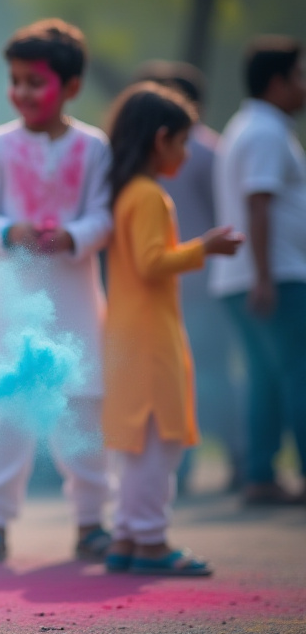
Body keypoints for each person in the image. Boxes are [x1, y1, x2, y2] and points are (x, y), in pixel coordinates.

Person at [0, 19, 112, 563]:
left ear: (70, 86)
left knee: (82, 405)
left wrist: (74, 235)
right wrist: (9, 232)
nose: (22, 92)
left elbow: (103, 217)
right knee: (6, 406)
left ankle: (93, 520)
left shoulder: (94, 147)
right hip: (12, 300)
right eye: (16, 80)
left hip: (74, 297)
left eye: (35, 81)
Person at [103, 84, 243, 574]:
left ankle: (126, 535)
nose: (186, 152)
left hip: (130, 336)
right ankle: (151, 540)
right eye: (183, 142)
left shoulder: (127, 192)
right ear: (161, 139)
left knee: (137, 444)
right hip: (147, 340)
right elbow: (151, 262)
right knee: (155, 445)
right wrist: (205, 247)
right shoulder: (147, 196)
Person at [135, 61, 244, 491]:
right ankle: (185, 465)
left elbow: (224, 216)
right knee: (184, 377)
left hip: (197, 283)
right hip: (175, 282)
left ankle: (233, 454)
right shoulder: (173, 155)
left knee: (209, 373)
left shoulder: (204, 151)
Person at [211, 37, 306, 506]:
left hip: (247, 276)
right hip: (274, 275)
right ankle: (275, 469)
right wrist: (266, 276)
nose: (303, 87)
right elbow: (259, 202)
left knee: (267, 375)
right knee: (297, 371)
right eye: (299, 76)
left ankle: (261, 473)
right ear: (276, 81)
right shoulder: (266, 132)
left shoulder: (245, 127)